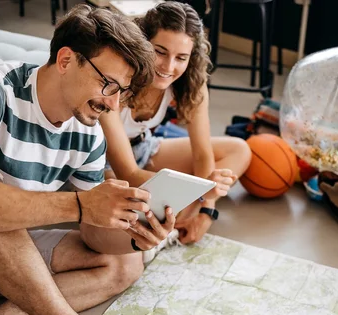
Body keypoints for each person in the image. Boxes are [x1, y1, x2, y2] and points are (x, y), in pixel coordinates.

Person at [0, 5, 175, 315]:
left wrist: (135, 234)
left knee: (126, 263)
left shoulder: (88, 133)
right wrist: (78, 205)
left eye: (123, 92)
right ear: (65, 60)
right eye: (108, 84)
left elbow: (93, 233)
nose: (113, 104)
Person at [100, 2, 252, 246]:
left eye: (181, 57)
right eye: (160, 51)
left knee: (240, 150)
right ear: (142, 42)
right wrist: (201, 192)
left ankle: (185, 215)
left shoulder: (190, 82)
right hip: (106, 163)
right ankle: (180, 215)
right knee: (130, 205)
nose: (168, 67)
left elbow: (203, 154)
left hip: (145, 148)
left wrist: (207, 209)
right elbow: (127, 172)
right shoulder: (119, 77)